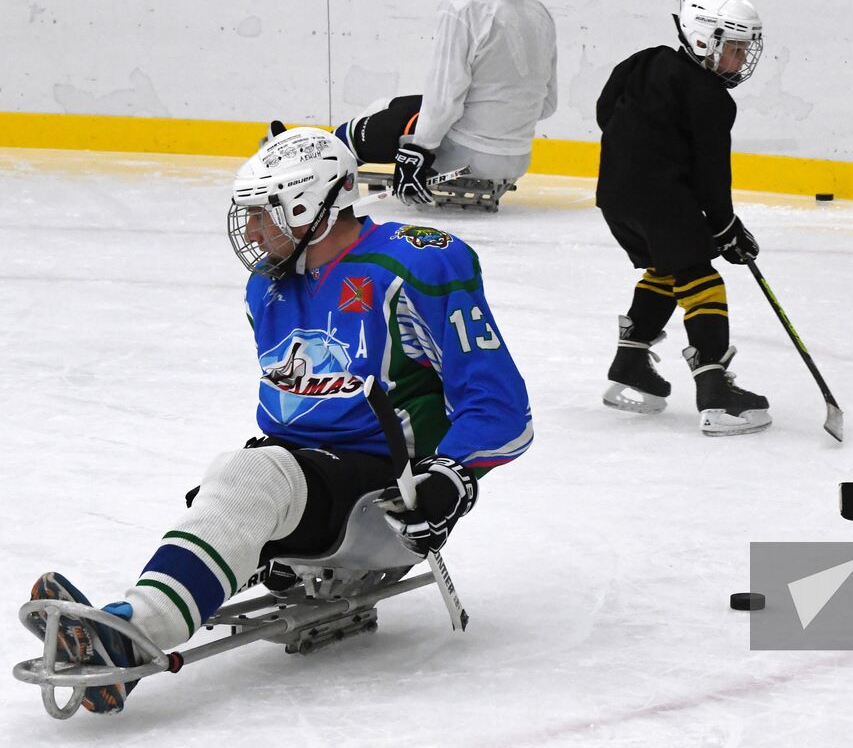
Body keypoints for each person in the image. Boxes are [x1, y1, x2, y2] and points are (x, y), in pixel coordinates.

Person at [25, 128, 533, 713]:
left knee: (254, 476)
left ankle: (132, 633)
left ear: (310, 207)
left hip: (386, 498)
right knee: (236, 481)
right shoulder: (265, 287)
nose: (252, 232)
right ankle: (153, 607)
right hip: (305, 477)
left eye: (264, 215)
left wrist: (449, 478)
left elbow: (500, 406)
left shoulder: (415, 265)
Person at [594, 0, 770, 436]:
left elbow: (604, 111)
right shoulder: (713, 99)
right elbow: (713, 175)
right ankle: (716, 392)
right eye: (733, 50)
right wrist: (726, 226)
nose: (739, 60)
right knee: (700, 278)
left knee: (666, 267)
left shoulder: (644, 61)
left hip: (615, 197)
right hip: (661, 199)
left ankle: (630, 363)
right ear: (703, 40)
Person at [312, 0, 557, 210]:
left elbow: (444, 97)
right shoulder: (539, 12)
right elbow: (548, 104)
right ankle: (323, 148)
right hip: (517, 160)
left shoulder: (462, 8)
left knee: (396, 115)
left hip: (466, 157)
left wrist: (419, 150)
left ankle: (315, 158)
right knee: (397, 104)